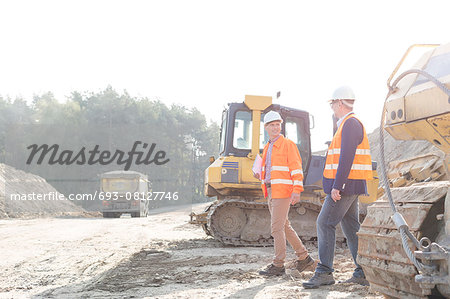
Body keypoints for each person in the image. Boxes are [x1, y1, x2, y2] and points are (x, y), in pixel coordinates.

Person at [303, 86, 373, 288]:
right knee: (351, 227)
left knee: (324, 223)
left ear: (340, 103)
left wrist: (338, 185)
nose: (332, 107)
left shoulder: (350, 124)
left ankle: (325, 271)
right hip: (350, 184)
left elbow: (346, 158)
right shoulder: (347, 124)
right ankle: (363, 271)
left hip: (345, 185)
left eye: (332, 103)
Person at [254, 110, 315, 276]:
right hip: (271, 190)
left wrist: (297, 190)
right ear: (266, 127)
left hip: (282, 191)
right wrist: (259, 174)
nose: (275, 128)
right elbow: (270, 170)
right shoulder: (268, 147)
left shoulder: (288, 145)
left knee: (276, 228)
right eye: (272, 125)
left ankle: (278, 264)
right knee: (285, 227)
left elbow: (296, 170)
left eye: (277, 124)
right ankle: (304, 259)